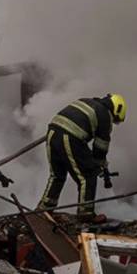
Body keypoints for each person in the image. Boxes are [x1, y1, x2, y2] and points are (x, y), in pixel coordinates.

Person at [37, 93, 126, 222]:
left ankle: (43, 210)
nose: (113, 121)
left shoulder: (87, 101)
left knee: (57, 175)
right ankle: (86, 214)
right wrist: (99, 163)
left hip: (52, 133)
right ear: (116, 110)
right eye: (115, 119)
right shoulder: (105, 115)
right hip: (69, 136)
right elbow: (101, 146)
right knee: (88, 175)